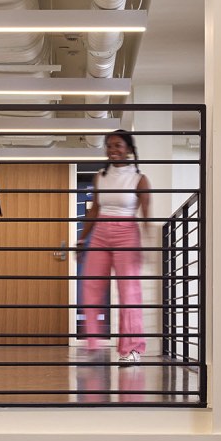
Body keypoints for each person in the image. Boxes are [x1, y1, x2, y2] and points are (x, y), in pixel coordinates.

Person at [76, 128, 153, 363]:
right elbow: (95, 209)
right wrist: (81, 239)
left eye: (118, 145)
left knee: (128, 292)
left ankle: (132, 349)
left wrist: (148, 245)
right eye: (109, 146)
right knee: (90, 286)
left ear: (129, 149)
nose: (113, 150)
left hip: (127, 233)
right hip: (100, 232)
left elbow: (146, 215)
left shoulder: (140, 179)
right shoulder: (100, 176)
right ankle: (93, 344)